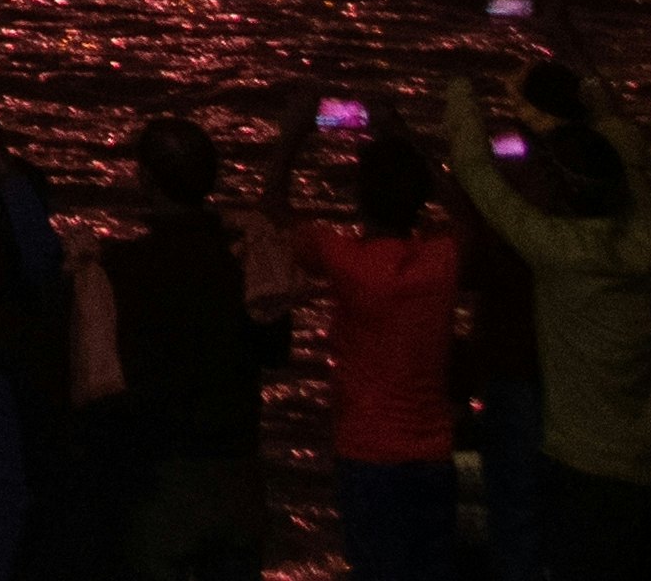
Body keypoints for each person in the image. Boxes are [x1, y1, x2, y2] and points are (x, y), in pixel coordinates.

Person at [442, 50, 651, 579]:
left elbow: (477, 175)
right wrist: (582, 75)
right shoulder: (643, 237)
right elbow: (627, 153)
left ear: (562, 192)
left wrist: (459, 88)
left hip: (585, 475)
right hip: (649, 469)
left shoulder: (555, 250)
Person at [281, 109, 476, 580]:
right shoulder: (443, 258)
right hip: (432, 454)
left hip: (367, 455)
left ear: (359, 199)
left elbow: (276, 217)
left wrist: (293, 138)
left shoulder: (345, 259)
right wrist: (406, 136)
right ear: (421, 200)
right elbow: (471, 215)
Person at [107, 112, 279, 581]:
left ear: (145, 180)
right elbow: (276, 347)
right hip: (236, 468)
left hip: (164, 476)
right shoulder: (241, 261)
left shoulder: (124, 267)